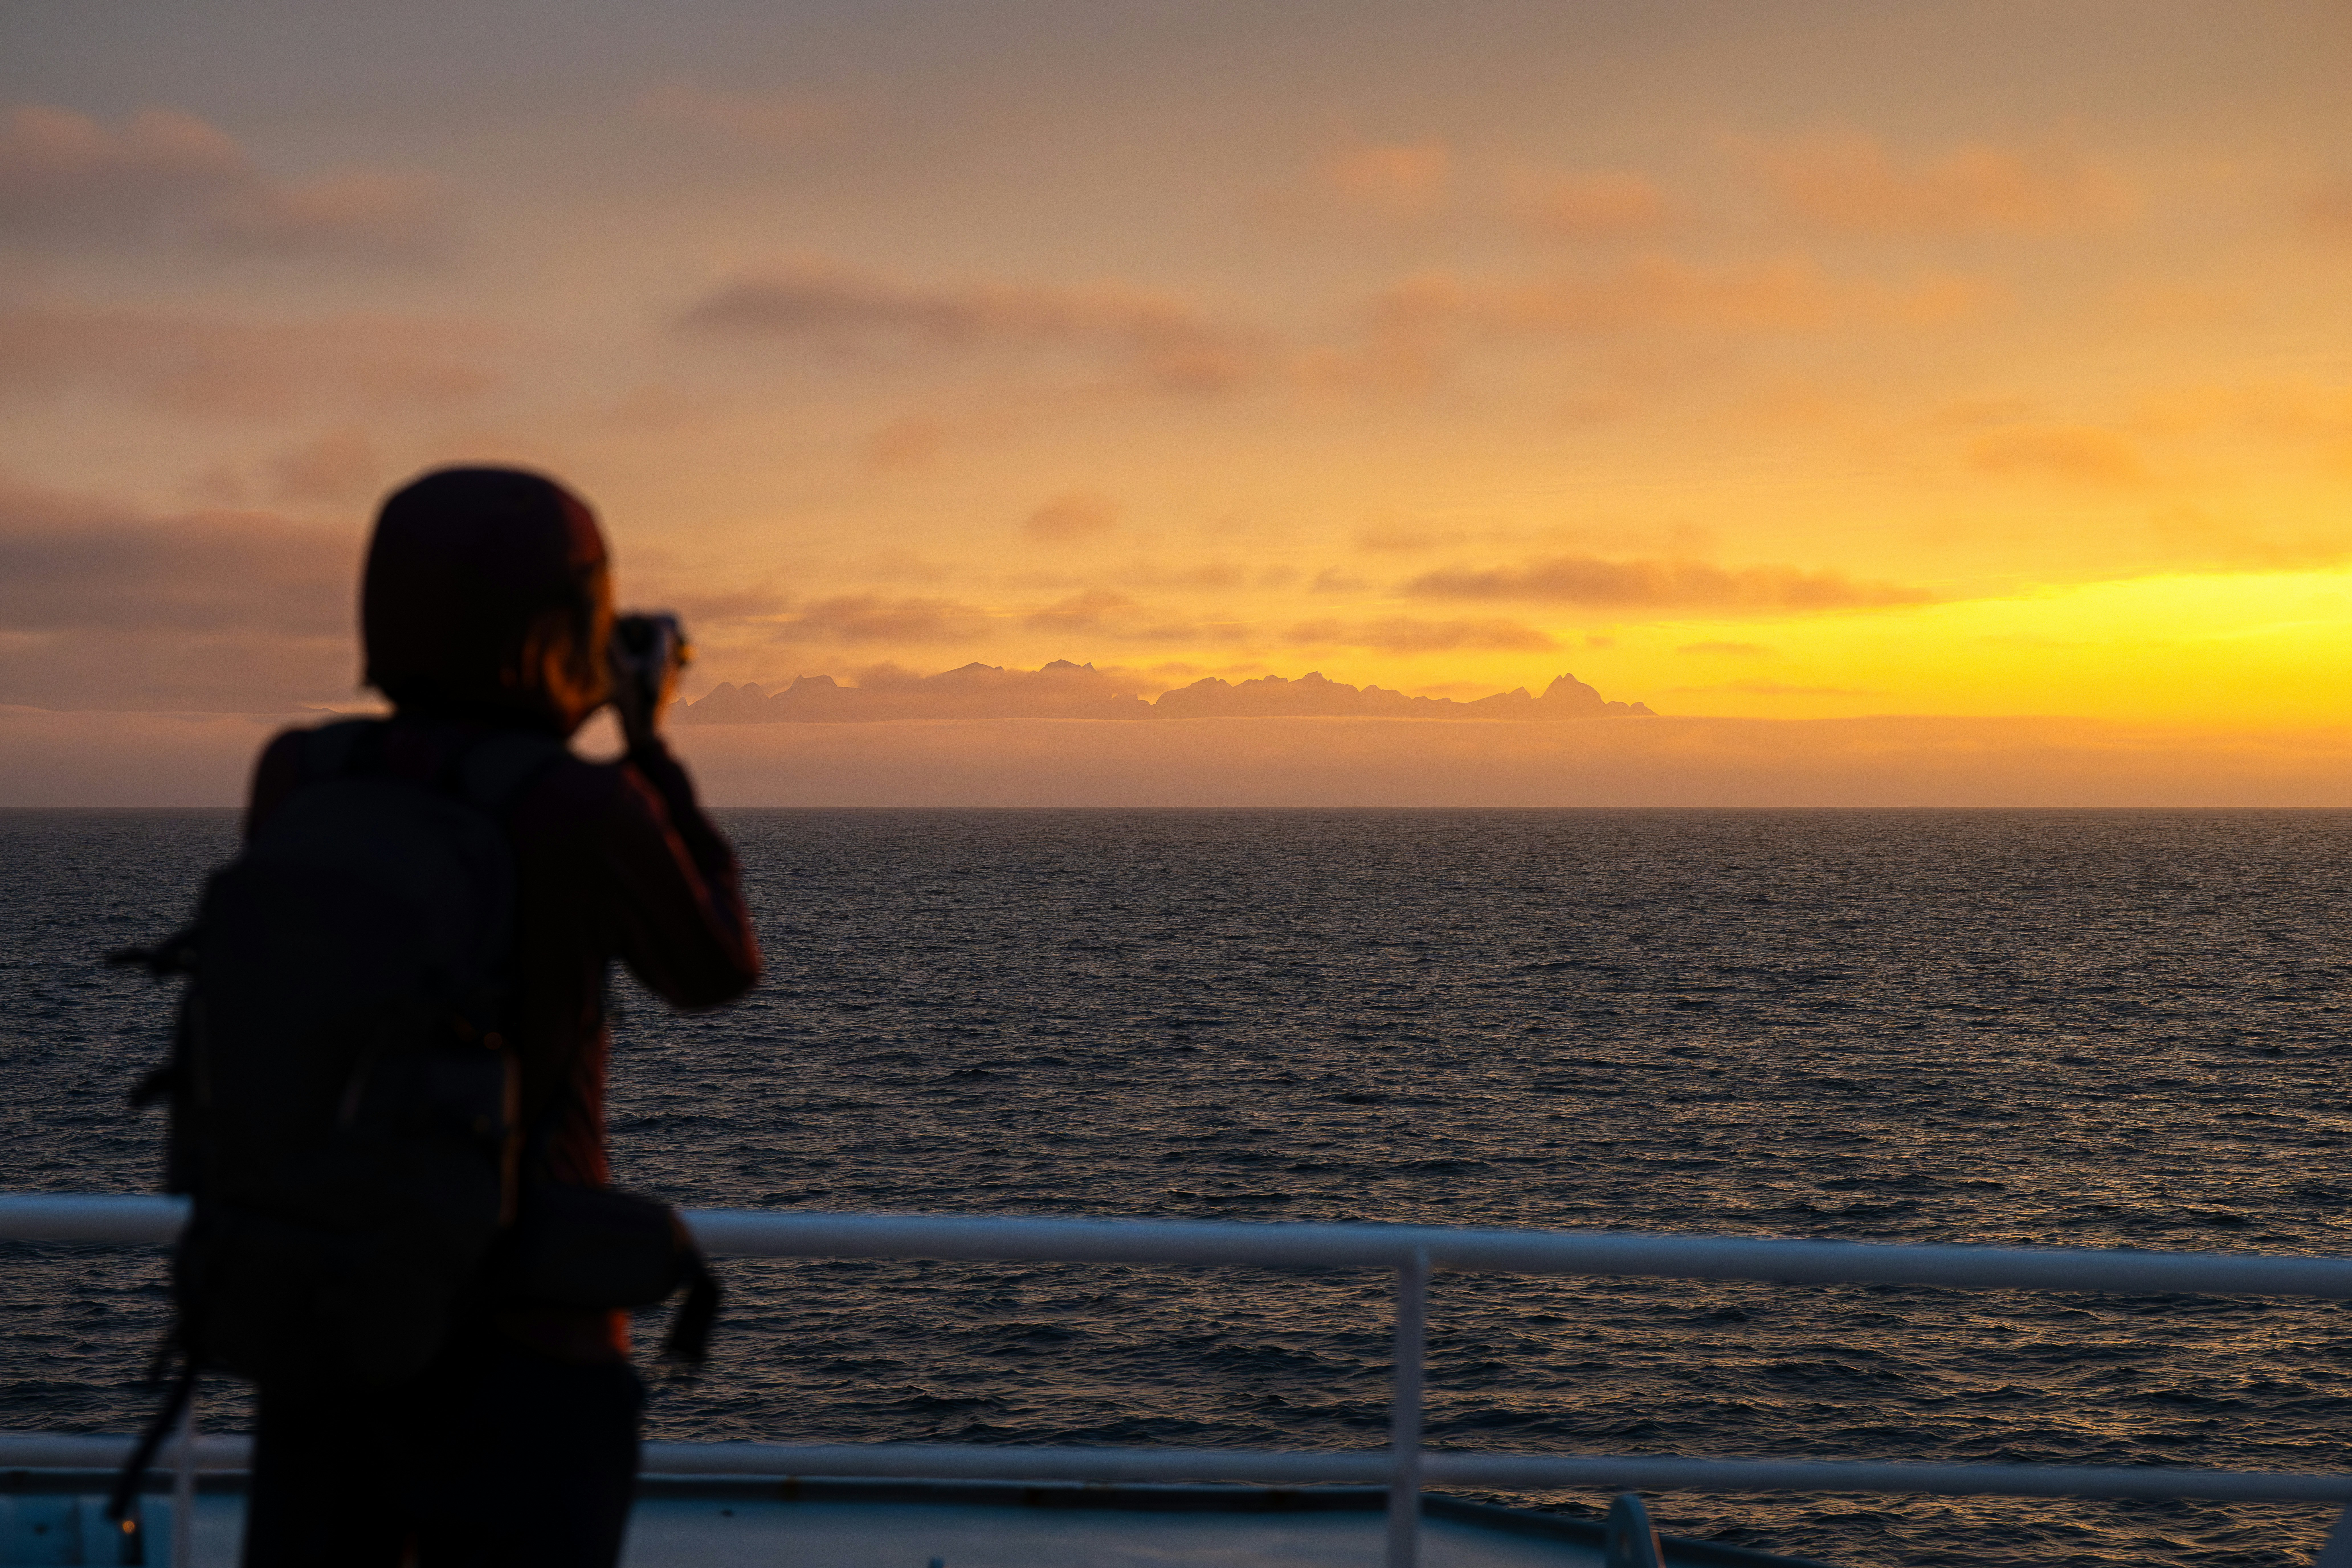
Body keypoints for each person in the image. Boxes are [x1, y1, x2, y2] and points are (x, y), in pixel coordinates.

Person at [238, 466, 761, 1566]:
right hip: (531, 1341)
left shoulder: (297, 774)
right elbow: (717, 966)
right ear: (564, 626)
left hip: (330, 1323)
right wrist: (647, 741)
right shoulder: (578, 806)